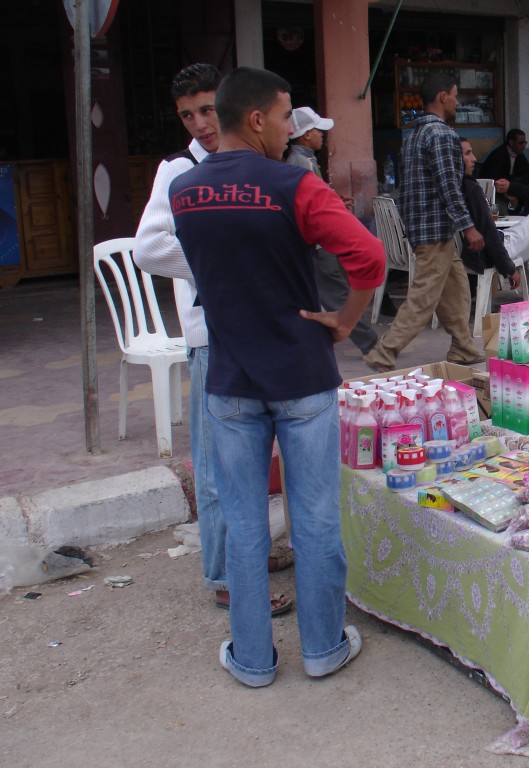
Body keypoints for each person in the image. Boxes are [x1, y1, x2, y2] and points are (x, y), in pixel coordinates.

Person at [169, 66, 385, 687]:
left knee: (243, 520)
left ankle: (254, 660)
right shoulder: (294, 185)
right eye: (288, 115)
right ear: (257, 119)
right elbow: (368, 256)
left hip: (231, 377)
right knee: (314, 516)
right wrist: (345, 320)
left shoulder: (185, 191)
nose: (293, 127)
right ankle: (322, 649)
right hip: (301, 375)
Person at [134, 63, 293, 619]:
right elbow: (149, 250)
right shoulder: (177, 171)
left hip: (259, 329)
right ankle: (226, 575)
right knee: (218, 460)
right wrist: (218, 263)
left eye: (206, 110)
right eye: (187, 115)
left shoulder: (253, 162)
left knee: (250, 454)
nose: (200, 123)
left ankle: (242, 556)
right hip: (211, 334)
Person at [363, 72, 485, 373]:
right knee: (423, 297)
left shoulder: (414, 134)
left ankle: (463, 347)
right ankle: (384, 351)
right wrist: (468, 226)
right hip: (436, 227)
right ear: (443, 96)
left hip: (424, 226)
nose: (457, 102)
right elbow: (448, 186)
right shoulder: (442, 135)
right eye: (455, 95)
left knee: (456, 287)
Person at [286, 106, 380, 353]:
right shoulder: (299, 162)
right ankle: (371, 344)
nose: (322, 135)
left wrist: (334, 200)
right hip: (317, 244)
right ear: (306, 134)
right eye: (319, 131)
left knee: (336, 291)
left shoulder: (306, 160)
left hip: (319, 242)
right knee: (337, 295)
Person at [460, 138, 529, 299]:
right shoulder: (470, 188)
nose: (474, 158)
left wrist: (513, 195)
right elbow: (489, 235)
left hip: (488, 246)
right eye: (467, 153)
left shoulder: (451, 187)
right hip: (496, 249)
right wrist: (509, 268)